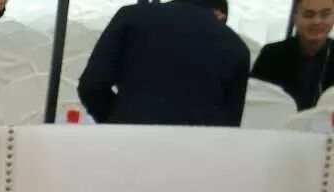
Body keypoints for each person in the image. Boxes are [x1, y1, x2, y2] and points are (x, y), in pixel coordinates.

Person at [77, 0, 250, 126]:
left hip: (130, 144)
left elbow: (91, 85)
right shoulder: (238, 48)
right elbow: (230, 125)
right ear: (220, 14)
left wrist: (119, 120)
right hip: (197, 153)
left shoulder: (132, 17)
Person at [251, 0, 334, 110]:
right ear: (295, 19)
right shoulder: (272, 55)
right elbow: (254, 100)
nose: (316, 21)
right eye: (309, 15)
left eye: (325, 14)